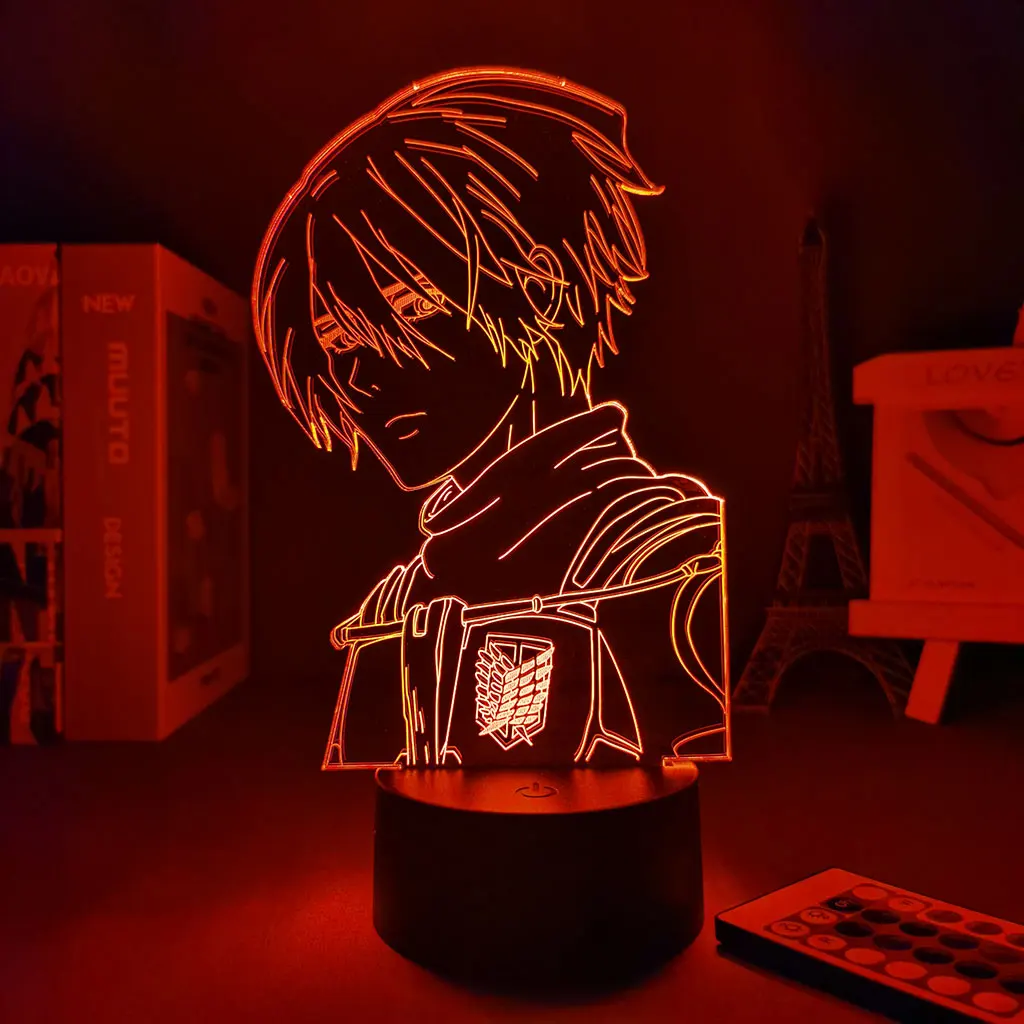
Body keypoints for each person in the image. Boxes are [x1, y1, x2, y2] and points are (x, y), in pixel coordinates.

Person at [253, 67, 729, 768]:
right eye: (338, 341)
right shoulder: (410, 589)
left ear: (538, 288)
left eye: (411, 307)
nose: (359, 377)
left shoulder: (653, 553)